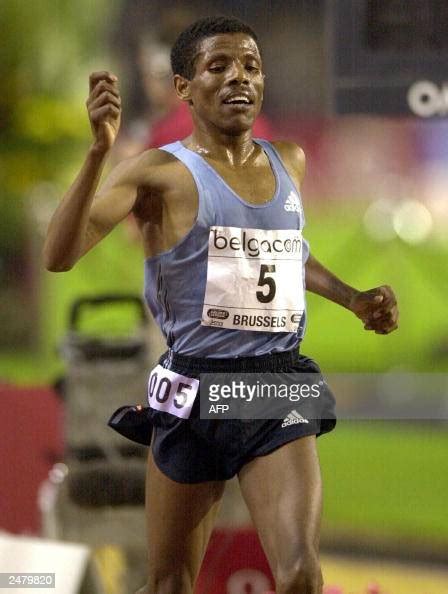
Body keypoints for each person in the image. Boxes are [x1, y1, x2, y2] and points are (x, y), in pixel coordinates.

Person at [43, 16, 398, 594]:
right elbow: (60, 255)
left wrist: (355, 300)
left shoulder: (290, 161)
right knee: (170, 584)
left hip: (275, 386)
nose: (240, 78)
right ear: (183, 87)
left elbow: (287, 256)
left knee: (301, 574)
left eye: (252, 67)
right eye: (219, 66)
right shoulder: (158, 173)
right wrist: (96, 155)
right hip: (194, 392)